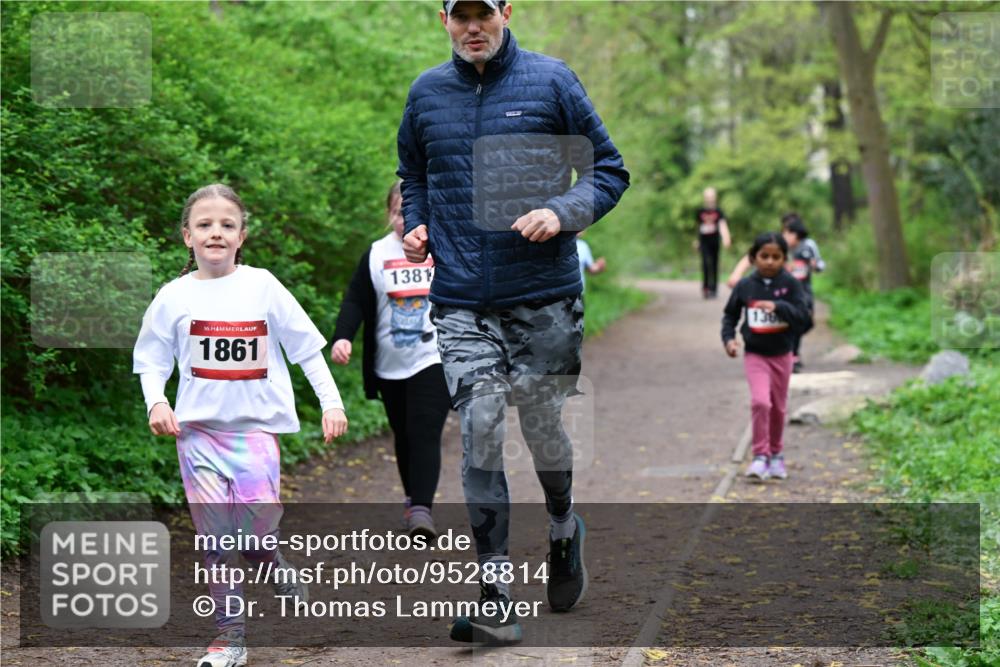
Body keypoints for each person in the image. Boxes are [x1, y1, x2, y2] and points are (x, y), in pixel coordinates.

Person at [397, 0, 629, 645]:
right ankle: (496, 595)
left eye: (484, 13)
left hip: (544, 296)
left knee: (543, 425)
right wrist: (417, 222)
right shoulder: (426, 92)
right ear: (441, 19)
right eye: (459, 15)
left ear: (505, 12)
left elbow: (609, 170)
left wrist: (564, 210)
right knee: (478, 425)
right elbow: (413, 174)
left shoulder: (552, 81)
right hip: (462, 298)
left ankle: (562, 526)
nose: (473, 27)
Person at [133, 184, 349, 667]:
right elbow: (150, 359)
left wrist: (331, 403)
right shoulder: (173, 296)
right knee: (215, 541)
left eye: (227, 225)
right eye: (205, 225)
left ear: (241, 236)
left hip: (253, 434)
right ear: (187, 236)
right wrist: (156, 402)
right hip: (197, 436)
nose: (216, 232)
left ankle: (275, 566)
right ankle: (230, 638)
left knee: (251, 539)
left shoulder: (263, 286)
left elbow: (305, 350)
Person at [330, 180, 452, 539]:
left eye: (414, 212)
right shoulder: (376, 254)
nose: (406, 219)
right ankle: (413, 498)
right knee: (402, 433)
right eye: (400, 212)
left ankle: (421, 510)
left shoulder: (443, 250)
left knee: (424, 429)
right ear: (389, 214)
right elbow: (355, 300)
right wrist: (342, 337)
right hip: (389, 363)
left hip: (434, 358)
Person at [721, 232, 812, 482]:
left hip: (782, 354)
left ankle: (776, 455)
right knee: (761, 402)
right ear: (753, 258)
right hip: (755, 354)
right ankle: (760, 455)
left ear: (784, 259)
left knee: (778, 407)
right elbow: (730, 316)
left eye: (776, 257)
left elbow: (804, 317)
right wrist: (729, 339)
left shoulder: (791, 284)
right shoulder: (745, 286)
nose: (770, 261)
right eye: (764, 256)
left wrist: (778, 307)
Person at [695, 187, 731, 299]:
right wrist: (696, 241)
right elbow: (698, 227)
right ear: (705, 197)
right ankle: (705, 287)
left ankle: (714, 289)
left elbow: (722, 225)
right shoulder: (700, 211)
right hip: (704, 242)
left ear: (715, 197)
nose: (710, 198)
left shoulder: (718, 211)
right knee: (705, 264)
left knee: (715, 264)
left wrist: (726, 237)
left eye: (711, 196)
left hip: (714, 241)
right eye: (708, 196)